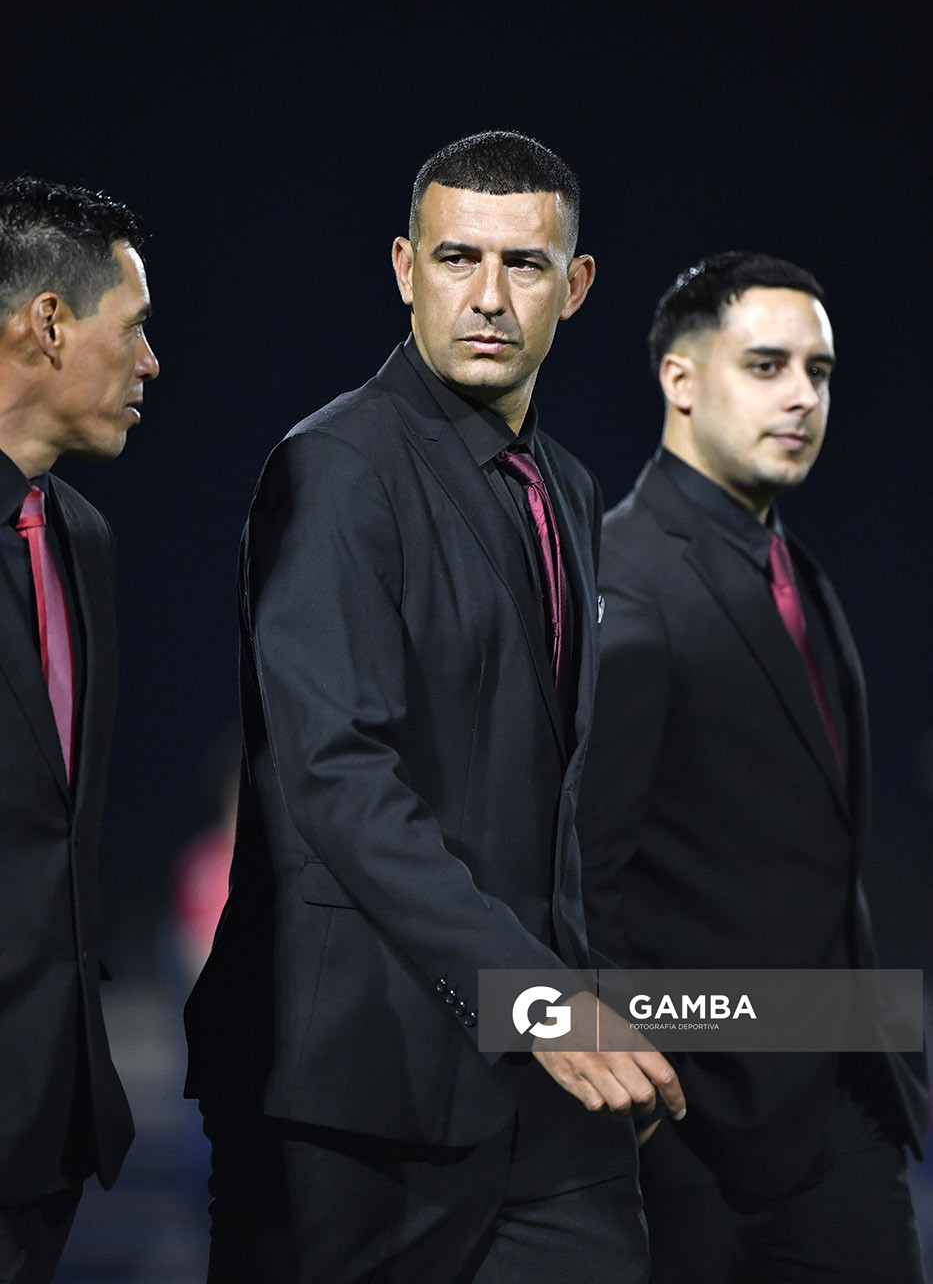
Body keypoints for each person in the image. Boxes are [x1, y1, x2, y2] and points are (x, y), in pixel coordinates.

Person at [184, 130, 684, 1283]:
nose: (490, 297)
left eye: (524, 264)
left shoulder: (569, 485)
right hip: (358, 1092)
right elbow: (338, 778)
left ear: (579, 284)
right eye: (459, 258)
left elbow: (543, 799)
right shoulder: (335, 466)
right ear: (405, 267)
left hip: (539, 1092)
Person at [577, 251, 927, 1282]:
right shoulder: (628, 580)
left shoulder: (789, 569)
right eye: (767, 364)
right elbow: (579, 871)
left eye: (818, 372)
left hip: (832, 1102)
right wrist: (631, 1089)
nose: (802, 397)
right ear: (680, 380)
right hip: (690, 1130)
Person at [0, 176, 159, 1282]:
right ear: (45, 322)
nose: (150, 364)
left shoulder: (83, 536)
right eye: (134, 328)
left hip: (45, 1126)